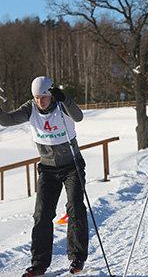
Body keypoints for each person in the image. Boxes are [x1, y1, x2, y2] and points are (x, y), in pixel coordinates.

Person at [0, 76, 88, 276]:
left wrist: (65, 99)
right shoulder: (30, 108)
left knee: (75, 207)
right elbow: (6, 120)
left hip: (72, 166)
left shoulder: (61, 104)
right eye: (36, 97)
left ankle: (77, 257)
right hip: (48, 169)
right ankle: (39, 262)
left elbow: (78, 116)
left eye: (44, 97)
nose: (40, 101)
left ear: (51, 94)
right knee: (42, 214)